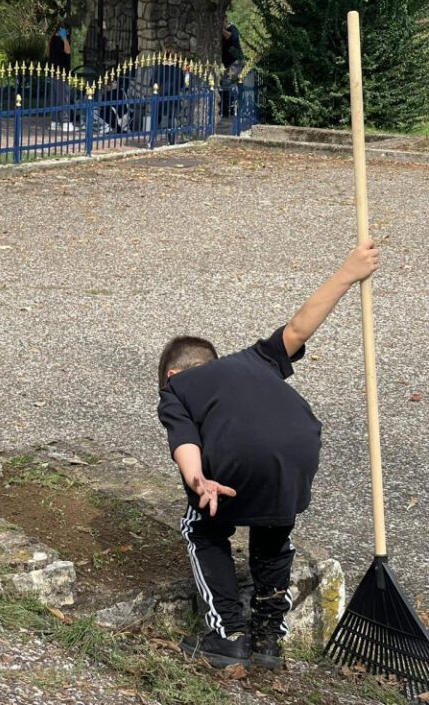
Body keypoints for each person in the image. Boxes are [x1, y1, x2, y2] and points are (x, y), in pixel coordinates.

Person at [157, 241, 380, 670]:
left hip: (243, 457)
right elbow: (300, 327)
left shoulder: (177, 390)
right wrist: (348, 273)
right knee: (273, 533)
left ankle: (228, 635)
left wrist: (197, 478)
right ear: (214, 361)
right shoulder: (256, 359)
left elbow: (183, 440)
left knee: (202, 527)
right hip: (299, 449)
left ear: (171, 375)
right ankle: (269, 642)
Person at [47, 22, 75, 133]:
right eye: (67, 32)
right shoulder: (60, 40)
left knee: (54, 98)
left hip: (54, 72)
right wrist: (64, 39)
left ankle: (54, 122)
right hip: (61, 74)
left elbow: (48, 52)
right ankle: (65, 123)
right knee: (64, 98)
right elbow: (68, 51)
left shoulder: (52, 40)